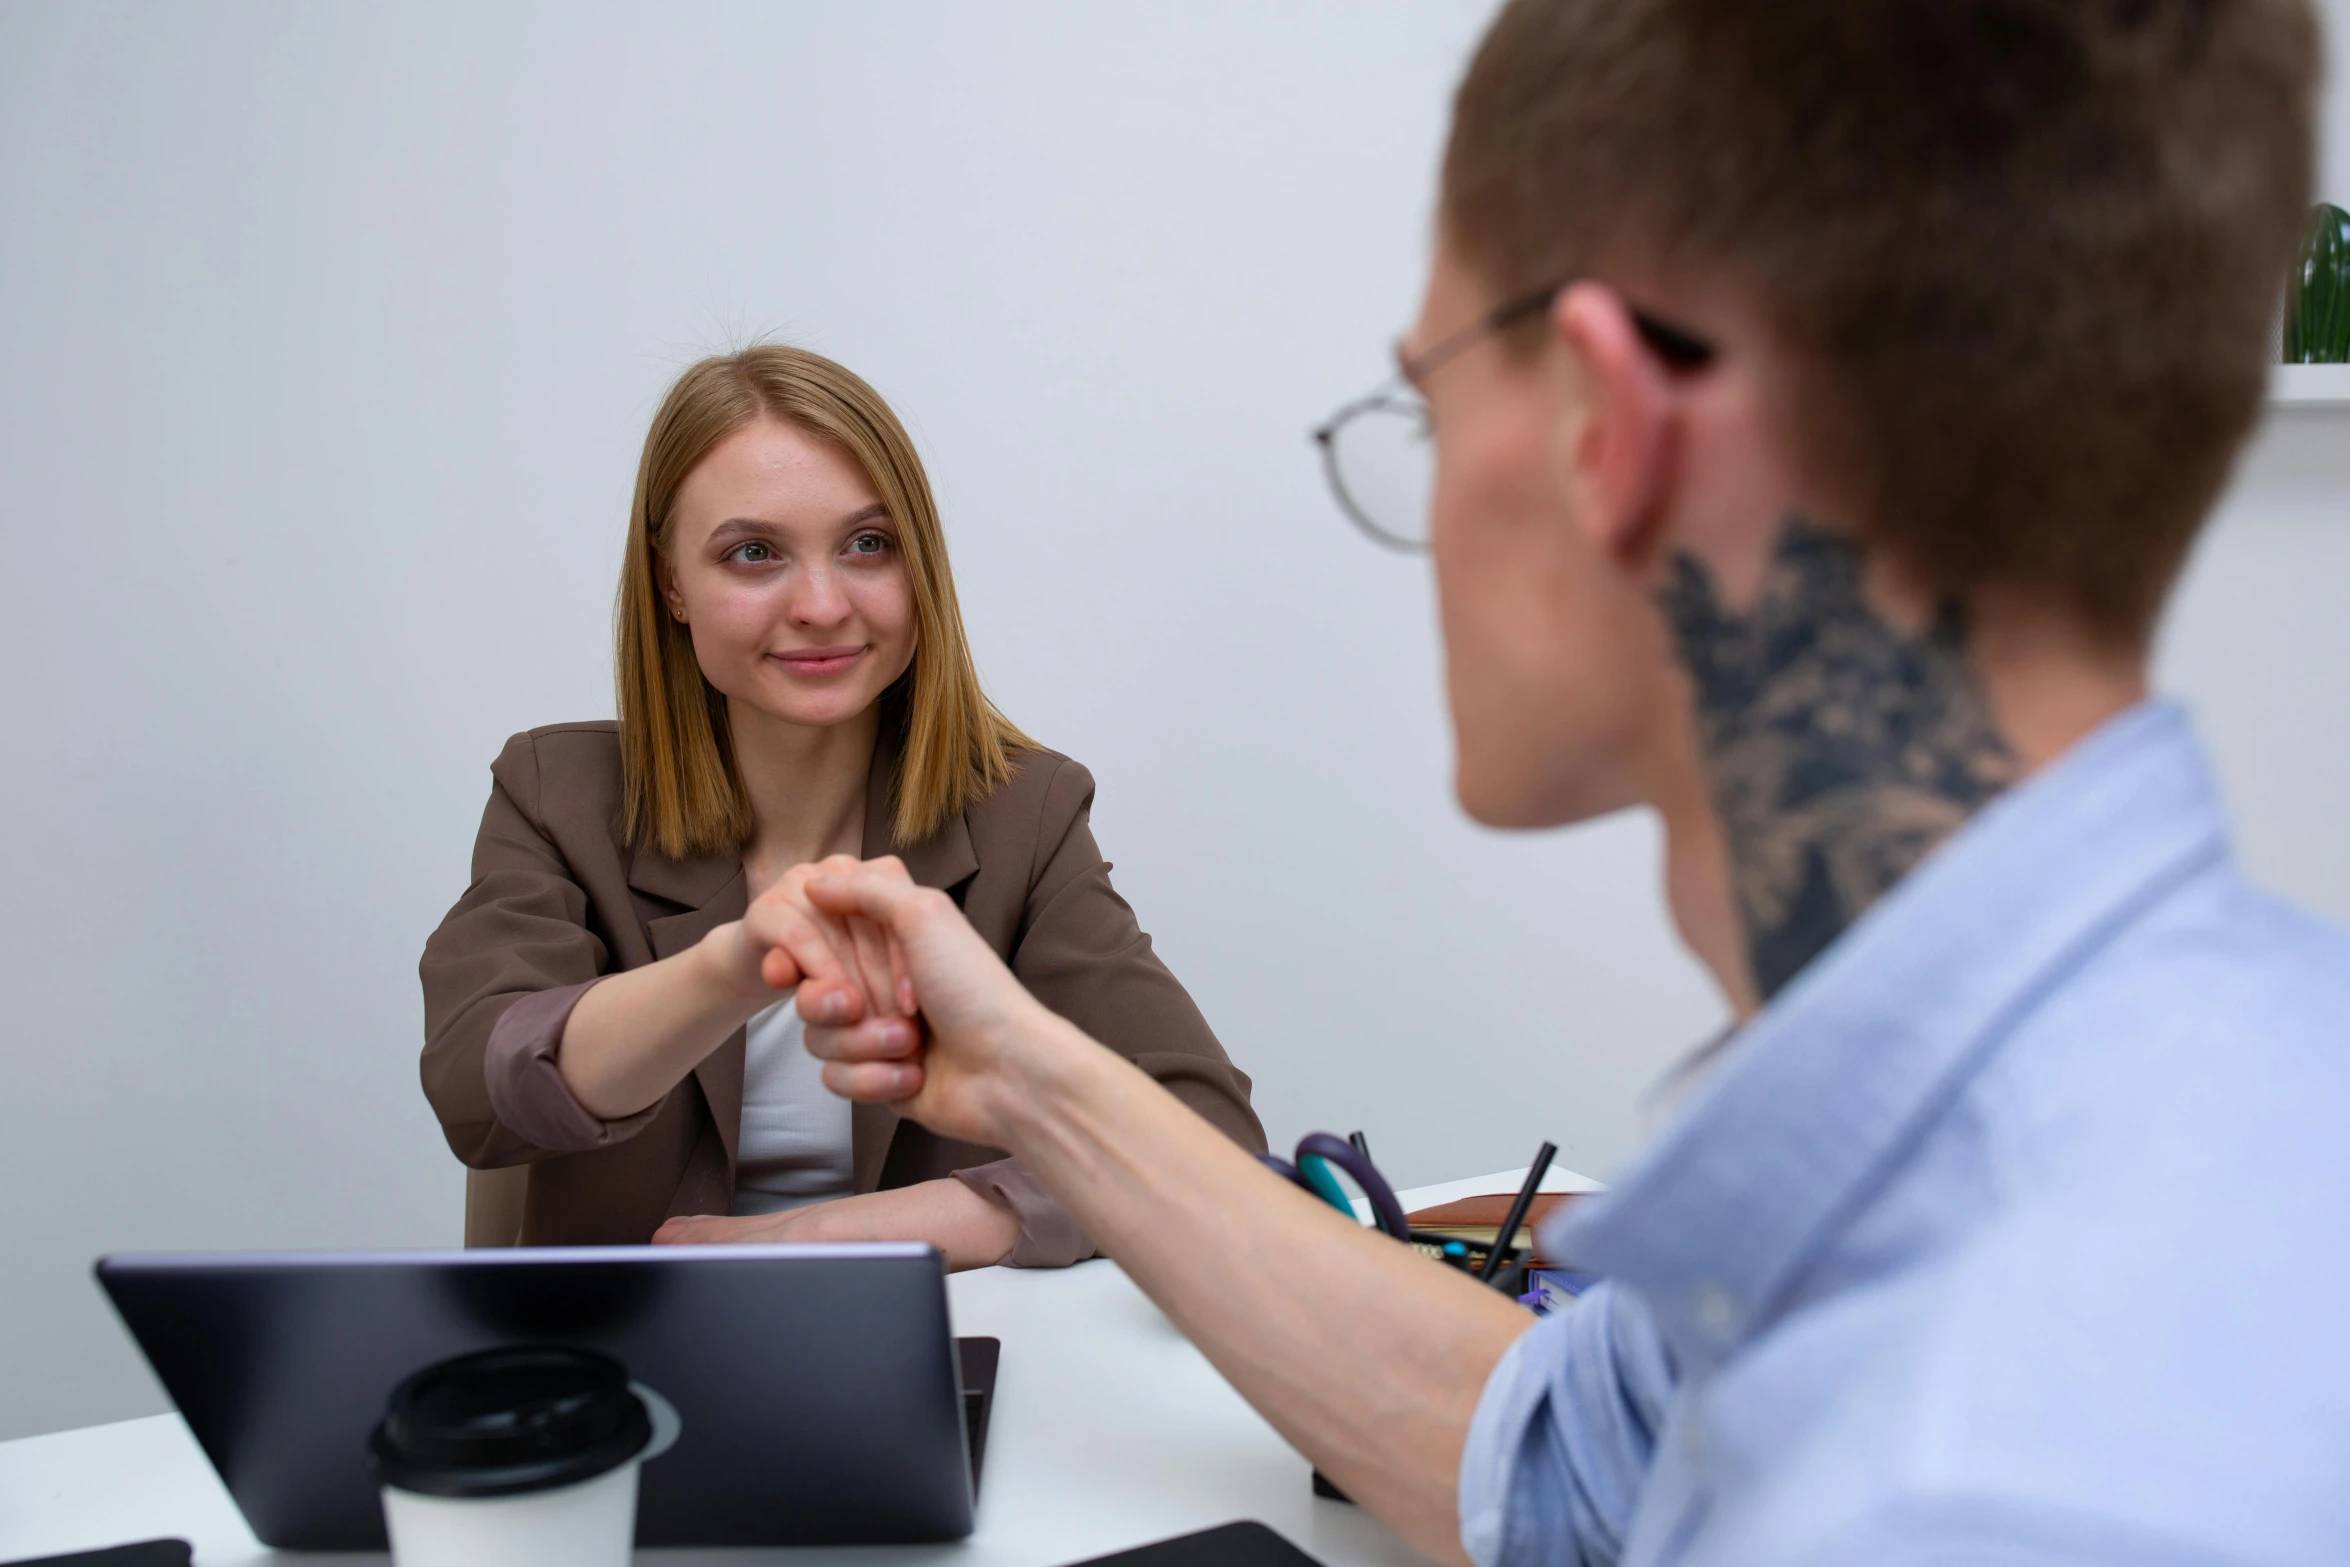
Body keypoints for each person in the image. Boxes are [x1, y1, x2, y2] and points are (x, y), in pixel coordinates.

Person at [759, 1, 2350, 1562]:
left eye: (1429, 406)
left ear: (1607, 427)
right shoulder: (2175, 1077)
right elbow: (1557, 1463)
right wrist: (1032, 1073)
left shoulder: (1970, 1484)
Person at [418, 345, 1261, 1264]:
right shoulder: (556, 795)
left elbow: (1208, 1137)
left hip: (924, 1344)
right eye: (753, 553)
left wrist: (829, 1233)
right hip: (635, 1376)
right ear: (671, 586)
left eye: (868, 544)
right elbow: (479, 1085)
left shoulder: (1027, 811)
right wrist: (730, 969)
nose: (822, 604)